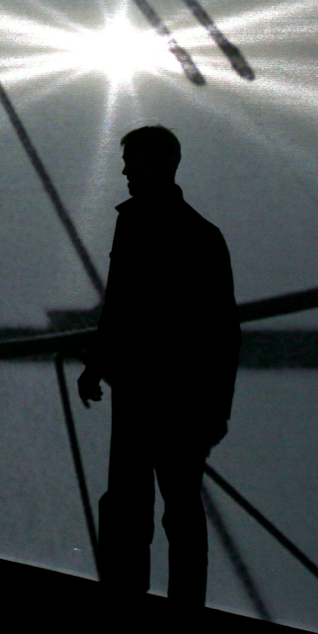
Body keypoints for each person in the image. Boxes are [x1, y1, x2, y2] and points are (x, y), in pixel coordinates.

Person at [78, 125, 239, 608]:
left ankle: (128, 592)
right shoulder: (201, 235)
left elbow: (120, 306)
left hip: (143, 391)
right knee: (179, 508)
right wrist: (216, 412)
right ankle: (185, 603)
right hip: (177, 397)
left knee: (133, 502)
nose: (124, 170)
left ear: (155, 163)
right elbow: (222, 333)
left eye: (131, 161)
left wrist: (98, 363)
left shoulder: (136, 224)